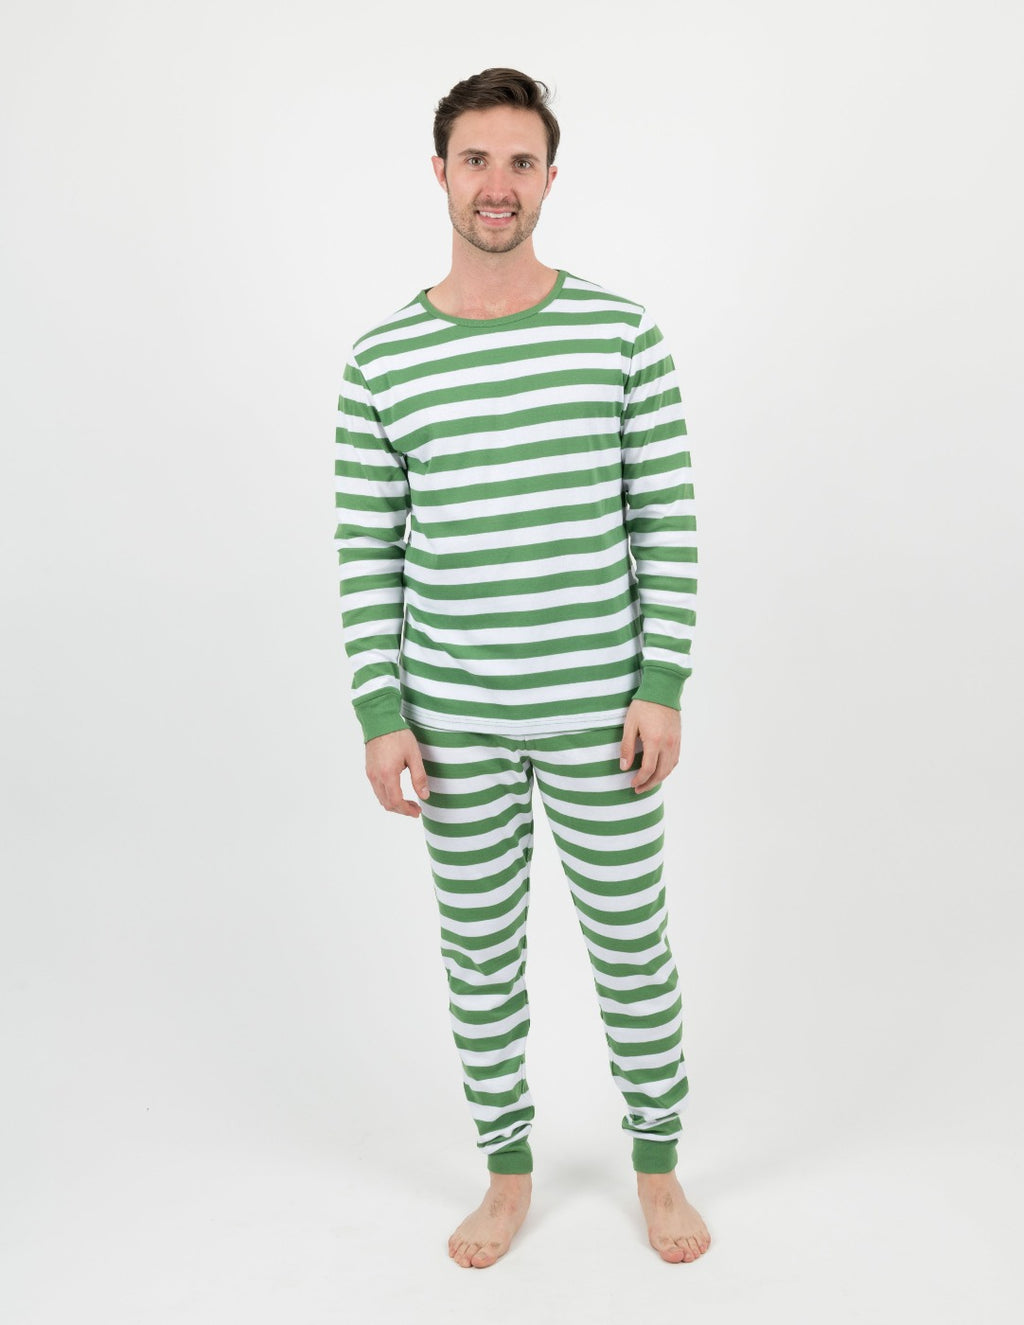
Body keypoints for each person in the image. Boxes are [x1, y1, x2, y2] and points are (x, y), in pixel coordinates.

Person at [333, 67, 710, 1269]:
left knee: (630, 944)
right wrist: (381, 710)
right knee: (480, 958)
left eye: (519, 161)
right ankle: (506, 1171)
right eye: (476, 160)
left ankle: (657, 1164)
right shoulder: (381, 360)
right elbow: (365, 547)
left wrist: (660, 685)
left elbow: (665, 520)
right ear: (439, 171)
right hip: (452, 720)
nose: (497, 184)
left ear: (549, 176)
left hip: (602, 713)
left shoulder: (620, 334)